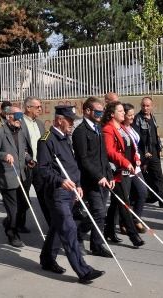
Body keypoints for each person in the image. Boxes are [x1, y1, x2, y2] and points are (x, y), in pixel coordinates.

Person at [37, 105, 105, 284]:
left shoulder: (66, 138)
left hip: (71, 191)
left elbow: (72, 166)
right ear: (59, 120)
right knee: (69, 229)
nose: (72, 124)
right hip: (57, 193)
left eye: (74, 121)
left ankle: (47, 259)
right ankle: (84, 271)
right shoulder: (46, 140)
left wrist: (79, 185)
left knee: (57, 229)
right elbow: (43, 169)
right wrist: (60, 181)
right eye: (70, 120)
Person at [72, 97, 114, 258]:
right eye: (97, 111)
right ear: (87, 111)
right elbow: (83, 159)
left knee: (99, 212)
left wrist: (109, 175)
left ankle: (97, 245)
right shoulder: (81, 132)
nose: (100, 114)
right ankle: (78, 234)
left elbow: (103, 155)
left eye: (101, 111)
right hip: (90, 180)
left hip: (103, 178)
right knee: (98, 211)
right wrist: (98, 176)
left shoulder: (98, 128)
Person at [102, 101, 145, 247]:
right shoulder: (108, 129)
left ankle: (108, 230)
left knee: (116, 202)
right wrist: (125, 162)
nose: (123, 113)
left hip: (126, 170)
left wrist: (135, 158)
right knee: (124, 203)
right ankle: (134, 236)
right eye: (120, 111)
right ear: (112, 114)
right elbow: (109, 151)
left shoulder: (122, 127)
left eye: (122, 111)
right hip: (115, 171)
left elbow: (131, 146)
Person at [0, 106, 30, 247]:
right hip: (7, 176)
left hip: (21, 175)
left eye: (21, 115)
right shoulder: (0, 133)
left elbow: (24, 150)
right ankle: (12, 234)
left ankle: (9, 222)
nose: (20, 119)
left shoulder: (21, 132)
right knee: (13, 209)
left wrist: (29, 159)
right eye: (17, 115)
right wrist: (4, 155)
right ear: (8, 117)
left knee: (23, 206)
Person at [132, 97, 163, 208]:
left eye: (147, 106)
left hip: (154, 152)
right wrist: (143, 153)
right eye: (143, 105)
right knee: (143, 177)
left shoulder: (152, 117)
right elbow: (136, 139)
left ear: (152, 106)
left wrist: (160, 147)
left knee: (158, 176)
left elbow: (155, 134)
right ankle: (135, 198)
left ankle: (162, 200)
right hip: (144, 154)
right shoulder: (137, 119)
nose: (145, 108)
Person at [21, 96, 50, 229]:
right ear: (28, 108)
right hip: (25, 166)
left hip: (40, 166)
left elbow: (44, 143)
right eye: (37, 107)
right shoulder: (19, 123)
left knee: (45, 196)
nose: (40, 109)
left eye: (40, 106)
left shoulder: (39, 123)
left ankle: (52, 225)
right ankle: (17, 225)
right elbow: (18, 146)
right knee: (23, 198)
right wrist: (27, 158)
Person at [123, 103, 148, 233]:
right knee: (124, 197)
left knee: (143, 193)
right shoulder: (120, 129)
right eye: (130, 115)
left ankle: (135, 219)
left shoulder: (131, 127)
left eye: (133, 114)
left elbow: (136, 145)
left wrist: (139, 157)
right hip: (126, 167)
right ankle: (123, 222)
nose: (133, 117)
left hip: (136, 167)